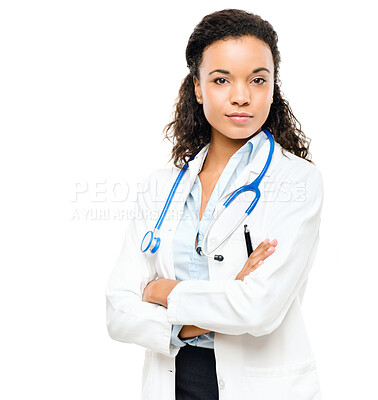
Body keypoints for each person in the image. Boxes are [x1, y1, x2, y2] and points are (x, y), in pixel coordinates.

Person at [106, 8, 324, 400]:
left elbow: (258, 309)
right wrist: (210, 308)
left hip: (259, 387)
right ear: (198, 87)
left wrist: (162, 292)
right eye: (222, 80)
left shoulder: (295, 181)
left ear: (273, 87)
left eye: (258, 80)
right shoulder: (162, 186)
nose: (241, 96)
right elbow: (118, 312)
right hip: (172, 382)